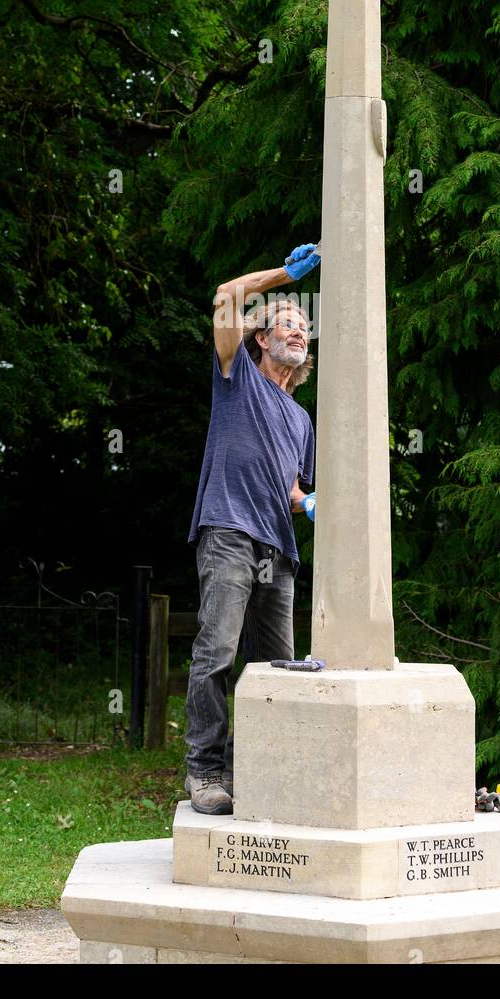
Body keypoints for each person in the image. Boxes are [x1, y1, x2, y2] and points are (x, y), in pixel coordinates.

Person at [184, 244, 320, 814]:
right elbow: (224, 298)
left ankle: (255, 776)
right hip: (228, 532)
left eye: (305, 330)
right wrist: (284, 277)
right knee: (216, 652)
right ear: (261, 338)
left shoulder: (302, 418)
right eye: (288, 324)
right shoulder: (235, 372)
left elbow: (289, 489)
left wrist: (309, 502)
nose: (300, 334)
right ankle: (204, 773)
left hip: (277, 549)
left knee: (279, 674)